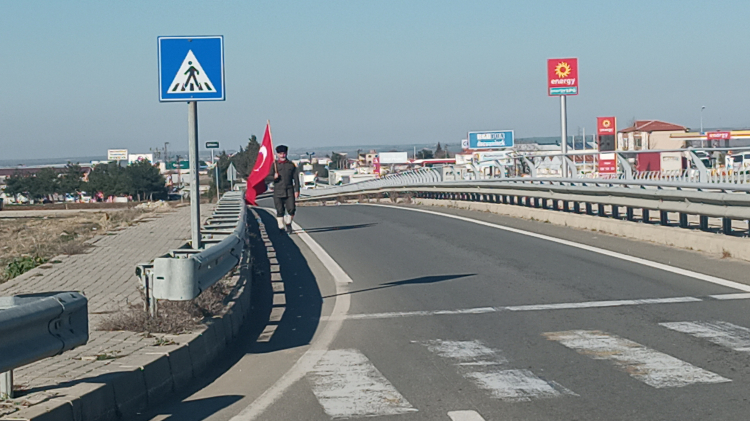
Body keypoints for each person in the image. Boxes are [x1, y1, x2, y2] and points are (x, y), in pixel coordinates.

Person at [266, 145, 300, 233]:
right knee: (280, 210)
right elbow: (267, 178)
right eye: (280, 154)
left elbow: (296, 178)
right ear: (277, 154)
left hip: (289, 190)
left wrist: (297, 190)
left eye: (284, 153)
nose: (282, 155)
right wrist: (274, 177)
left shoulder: (291, 165)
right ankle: (281, 227)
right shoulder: (274, 165)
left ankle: (288, 223)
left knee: (291, 209)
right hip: (278, 191)